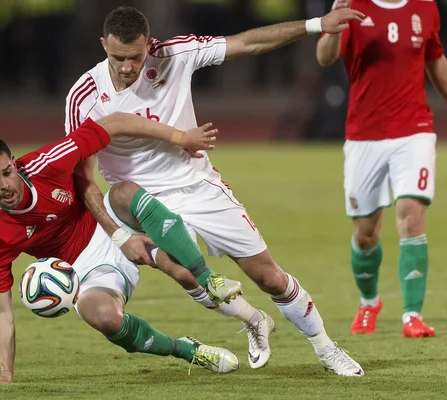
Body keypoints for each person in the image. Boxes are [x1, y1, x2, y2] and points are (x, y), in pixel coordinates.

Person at [64, 6, 365, 375]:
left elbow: (247, 43)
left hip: (197, 185)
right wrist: (118, 232)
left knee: (268, 276)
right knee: (185, 270)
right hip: (141, 202)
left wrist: (316, 24)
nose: (127, 67)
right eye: (117, 58)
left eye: (135, 57)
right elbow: (83, 177)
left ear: (149, 44)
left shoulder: (174, 54)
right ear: (102, 45)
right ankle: (254, 320)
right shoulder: (85, 96)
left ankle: (326, 347)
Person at [0, 112, 241, 384]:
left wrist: (182, 137)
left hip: (105, 218)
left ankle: (209, 278)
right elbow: (1, 307)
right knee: (103, 317)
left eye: (8, 172)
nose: (5, 184)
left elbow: (116, 122)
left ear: (15, 164)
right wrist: (6, 374)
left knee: (129, 198)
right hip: (83, 271)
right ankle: (188, 350)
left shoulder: (46, 164)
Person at [316, 0, 447, 338]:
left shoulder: (425, 7)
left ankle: (412, 316)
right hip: (364, 134)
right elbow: (324, 57)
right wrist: (332, 24)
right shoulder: (353, 5)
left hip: (414, 129)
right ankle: (369, 301)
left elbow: (434, 58)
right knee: (365, 234)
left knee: (411, 213)